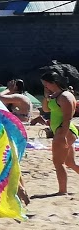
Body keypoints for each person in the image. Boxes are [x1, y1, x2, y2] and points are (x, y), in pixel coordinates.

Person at [39, 63, 79, 196]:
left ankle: (62, 191)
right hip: (61, 131)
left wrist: (62, 136)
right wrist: (46, 96)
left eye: (46, 84)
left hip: (64, 130)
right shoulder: (55, 95)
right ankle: (63, 190)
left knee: (58, 162)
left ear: (54, 82)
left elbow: (67, 118)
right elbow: (45, 109)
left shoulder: (65, 96)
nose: (45, 86)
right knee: (70, 162)